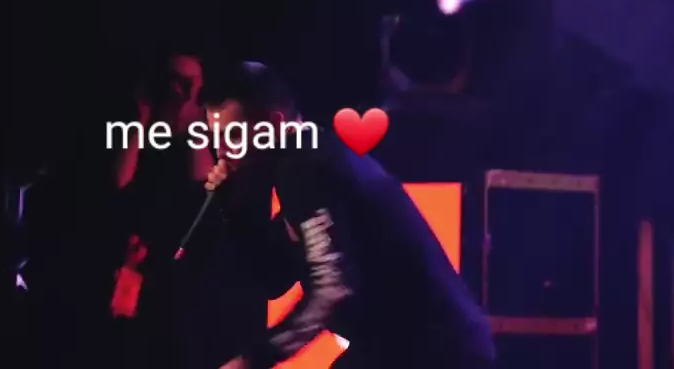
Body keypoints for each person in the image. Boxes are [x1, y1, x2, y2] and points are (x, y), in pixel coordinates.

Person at [201, 61, 496, 369]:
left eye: (232, 136)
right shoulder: (309, 158)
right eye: (215, 137)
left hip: (432, 351)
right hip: (412, 348)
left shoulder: (306, 168)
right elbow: (273, 279)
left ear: (273, 123)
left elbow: (333, 289)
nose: (221, 151)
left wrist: (253, 360)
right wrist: (232, 206)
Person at [60, 52, 292, 368]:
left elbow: (203, 193)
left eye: (191, 82)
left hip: (189, 282)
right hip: (135, 271)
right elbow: (117, 182)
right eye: (175, 81)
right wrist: (141, 113)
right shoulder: (138, 131)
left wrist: (193, 117)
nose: (181, 91)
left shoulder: (204, 132)